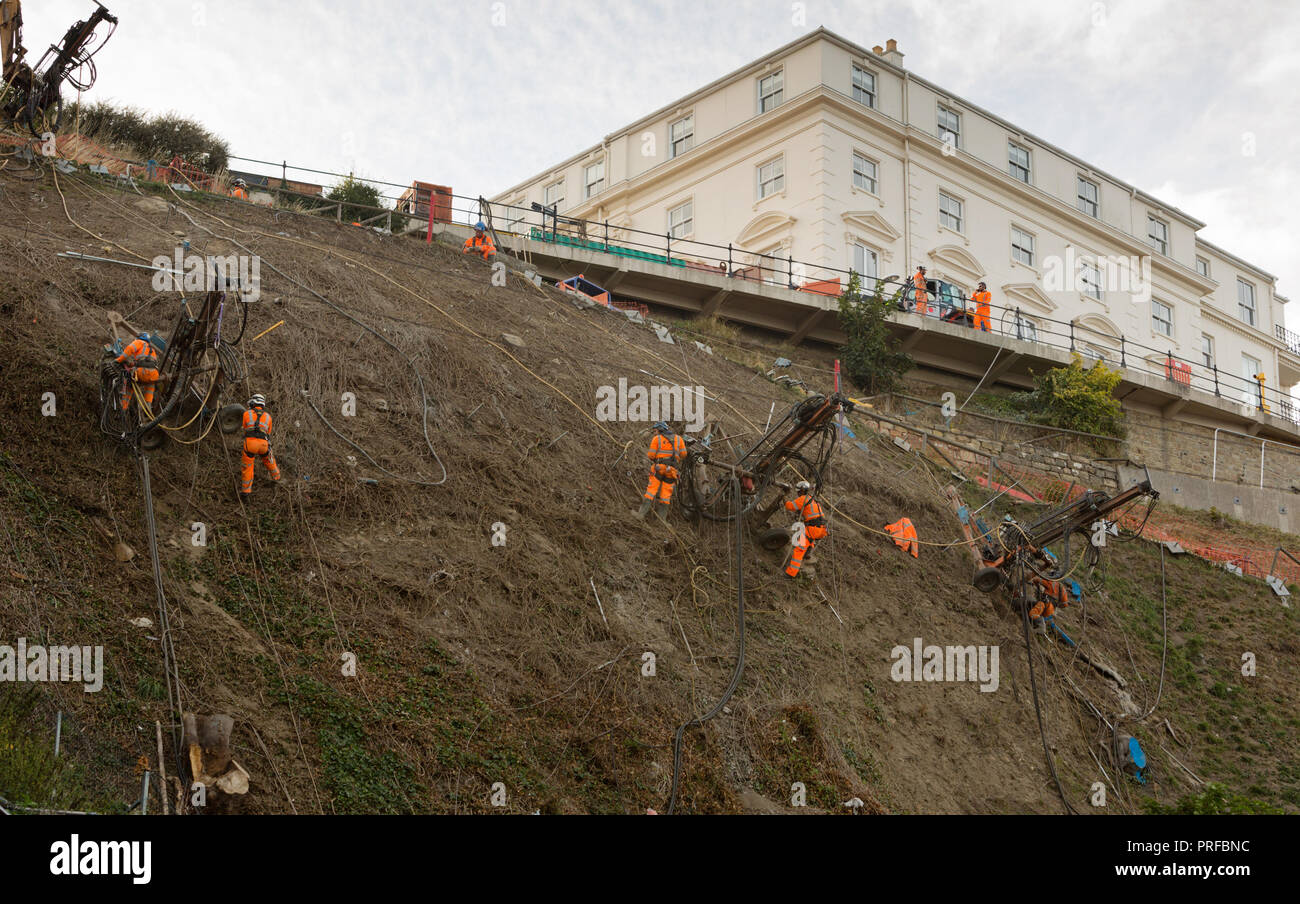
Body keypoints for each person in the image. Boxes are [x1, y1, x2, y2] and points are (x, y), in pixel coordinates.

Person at [638, 421, 686, 522]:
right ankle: (661, 520)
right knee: (666, 495)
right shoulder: (679, 439)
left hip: (659, 469)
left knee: (651, 491)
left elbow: (651, 455)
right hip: (672, 471)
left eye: (655, 431)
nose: (654, 433)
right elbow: (684, 455)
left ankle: (641, 514)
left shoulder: (657, 439)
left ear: (660, 430)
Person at [240, 394, 282, 496]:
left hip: (250, 444)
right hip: (264, 444)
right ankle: (277, 478)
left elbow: (244, 428)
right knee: (270, 461)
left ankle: (246, 491)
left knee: (248, 467)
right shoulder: (268, 417)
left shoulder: (246, 414)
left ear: (253, 402)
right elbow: (268, 432)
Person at [784, 481, 827, 578]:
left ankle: (790, 573)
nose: (797, 494)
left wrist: (784, 498)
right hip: (821, 529)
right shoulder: (813, 500)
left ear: (802, 491)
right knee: (809, 539)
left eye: (798, 492)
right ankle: (808, 551)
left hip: (813, 528)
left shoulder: (803, 499)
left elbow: (789, 506)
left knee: (799, 549)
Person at [115, 332, 162, 414]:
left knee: (130, 384)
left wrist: (118, 360)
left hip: (142, 372)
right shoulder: (151, 349)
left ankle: (123, 408)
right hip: (154, 374)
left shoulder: (139, 342)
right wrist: (134, 364)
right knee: (150, 387)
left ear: (139, 337)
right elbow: (146, 362)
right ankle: (148, 409)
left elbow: (128, 351)